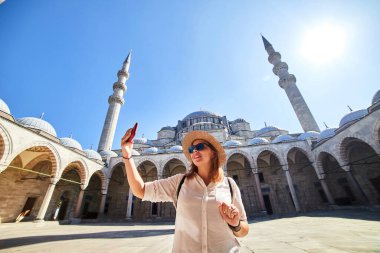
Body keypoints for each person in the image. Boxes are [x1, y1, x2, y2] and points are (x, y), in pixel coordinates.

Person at [121, 129, 249, 253]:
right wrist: (127, 156)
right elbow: (140, 190)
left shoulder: (229, 185)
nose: (195, 151)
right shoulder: (179, 182)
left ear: (214, 152)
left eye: (200, 147)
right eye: (191, 149)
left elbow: (244, 230)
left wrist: (235, 224)